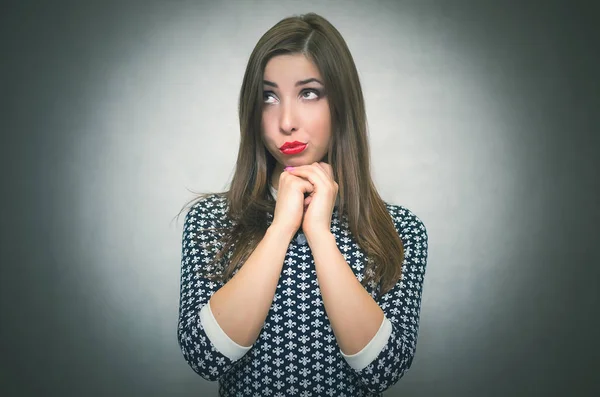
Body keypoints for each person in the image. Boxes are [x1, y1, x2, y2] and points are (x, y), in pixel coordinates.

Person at [177, 12, 429, 397]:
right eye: (269, 96)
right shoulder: (213, 221)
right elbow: (206, 357)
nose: (287, 121)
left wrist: (319, 233)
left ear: (341, 103)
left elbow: (383, 369)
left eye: (309, 92)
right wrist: (280, 229)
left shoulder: (398, 230)